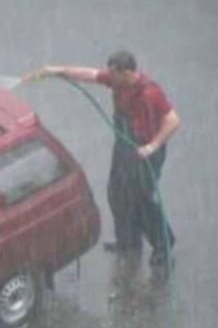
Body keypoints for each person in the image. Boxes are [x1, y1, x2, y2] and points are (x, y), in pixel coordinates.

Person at [22, 50, 180, 267]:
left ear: (127, 73)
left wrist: (153, 146)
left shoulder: (149, 92)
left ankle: (163, 245)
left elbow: (172, 120)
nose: (109, 77)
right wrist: (56, 70)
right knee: (117, 193)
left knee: (141, 200)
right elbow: (90, 74)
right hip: (125, 146)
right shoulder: (118, 81)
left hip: (146, 151)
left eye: (113, 74)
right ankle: (128, 241)